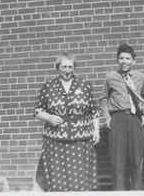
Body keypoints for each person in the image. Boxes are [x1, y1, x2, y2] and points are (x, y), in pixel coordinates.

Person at [34, 52, 100, 191]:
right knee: (58, 180)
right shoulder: (48, 87)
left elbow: (94, 112)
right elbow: (37, 111)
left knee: (80, 179)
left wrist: (96, 130)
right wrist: (49, 118)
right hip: (55, 141)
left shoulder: (84, 86)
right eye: (64, 67)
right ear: (58, 67)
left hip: (80, 141)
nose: (67, 70)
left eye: (70, 67)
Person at [101, 43, 144, 190]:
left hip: (135, 119)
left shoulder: (140, 77)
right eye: (121, 58)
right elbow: (103, 99)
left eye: (128, 58)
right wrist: (107, 118)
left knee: (136, 160)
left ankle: (137, 191)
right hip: (118, 119)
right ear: (117, 60)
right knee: (118, 161)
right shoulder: (111, 77)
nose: (124, 61)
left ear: (133, 61)